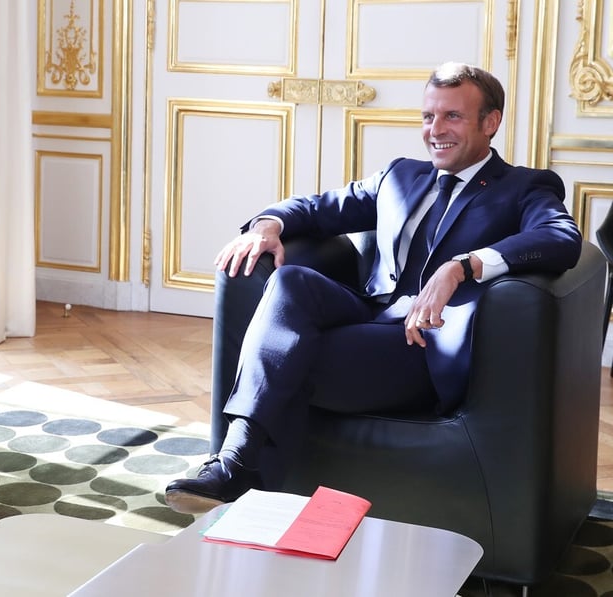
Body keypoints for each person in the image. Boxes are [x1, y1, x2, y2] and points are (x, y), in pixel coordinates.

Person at [164, 62, 583, 514]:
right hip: (369, 313)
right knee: (289, 280)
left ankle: (238, 471)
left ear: (490, 122)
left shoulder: (523, 187)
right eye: (428, 116)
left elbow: (560, 237)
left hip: (425, 344)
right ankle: (240, 469)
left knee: (284, 356)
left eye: (452, 117)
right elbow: (317, 207)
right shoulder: (401, 176)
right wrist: (268, 225)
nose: (435, 130)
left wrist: (463, 267)